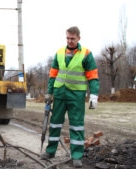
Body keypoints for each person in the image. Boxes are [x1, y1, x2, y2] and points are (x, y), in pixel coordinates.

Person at [40, 26, 99, 168]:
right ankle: (50, 151)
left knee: (77, 126)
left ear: (79, 38)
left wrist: (94, 95)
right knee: (55, 123)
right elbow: (53, 74)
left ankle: (76, 156)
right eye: (67, 38)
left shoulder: (86, 53)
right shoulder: (60, 52)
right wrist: (49, 92)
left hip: (76, 95)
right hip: (60, 94)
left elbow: (93, 76)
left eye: (72, 38)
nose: (70, 41)